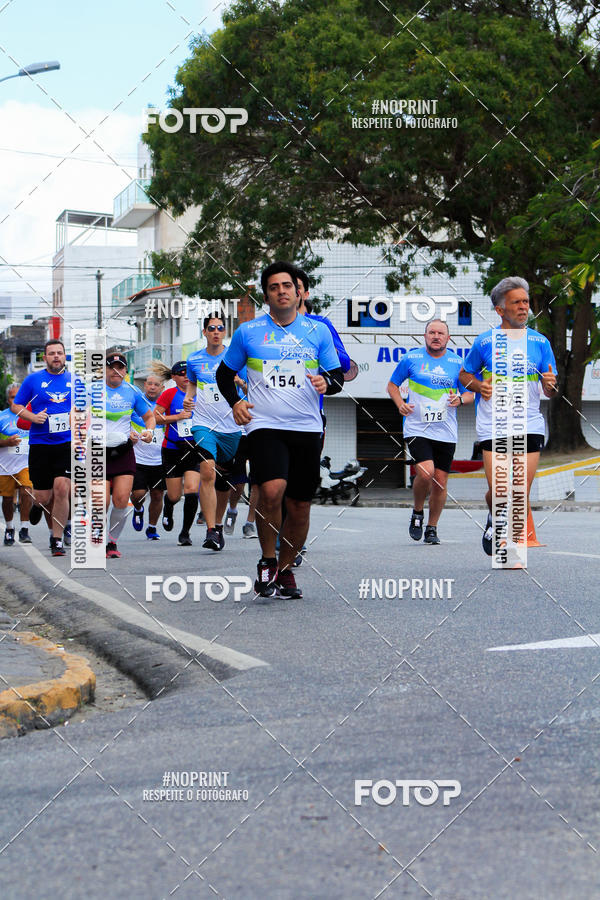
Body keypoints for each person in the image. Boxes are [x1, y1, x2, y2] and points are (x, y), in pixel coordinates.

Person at [216, 260, 344, 599]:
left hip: (306, 427)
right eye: (274, 287)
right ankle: (267, 558)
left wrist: (325, 383)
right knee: (271, 492)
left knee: (300, 505)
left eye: (287, 286)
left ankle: (284, 571)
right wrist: (235, 402)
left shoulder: (318, 332)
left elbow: (337, 378)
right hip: (265, 424)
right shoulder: (249, 332)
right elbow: (223, 375)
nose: (281, 292)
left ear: (298, 291)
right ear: (266, 295)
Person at [459, 276, 557, 555]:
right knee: (501, 491)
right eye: (517, 302)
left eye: (526, 302)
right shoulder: (484, 342)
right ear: (500, 310)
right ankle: (494, 516)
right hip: (493, 425)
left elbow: (550, 389)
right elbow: (464, 374)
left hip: (529, 423)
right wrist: (477, 385)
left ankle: (512, 548)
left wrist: (549, 386)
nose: (524, 307)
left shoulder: (540, 342)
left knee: (518, 489)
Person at [388, 319, 474, 544]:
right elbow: (392, 385)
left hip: (445, 430)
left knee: (440, 481)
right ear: (425, 335)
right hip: (417, 427)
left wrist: (460, 400)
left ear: (448, 337)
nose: (436, 336)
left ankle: (432, 528)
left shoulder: (458, 362)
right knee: (425, 472)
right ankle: (417, 511)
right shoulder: (411, 358)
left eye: (441, 333)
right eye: (432, 332)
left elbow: (470, 393)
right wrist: (400, 404)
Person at [184, 316, 244, 551]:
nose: (217, 332)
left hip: (231, 426)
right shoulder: (194, 359)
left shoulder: (235, 358)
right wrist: (189, 398)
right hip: (203, 423)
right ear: (205, 332)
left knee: (224, 484)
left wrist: (240, 384)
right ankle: (210, 530)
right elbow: (192, 383)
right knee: (207, 470)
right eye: (212, 329)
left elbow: (250, 388)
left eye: (221, 328)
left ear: (225, 332)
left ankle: (218, 525)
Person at [13, 339, 72, 557]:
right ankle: (38, 505)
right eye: (52, 353)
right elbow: (16, 405)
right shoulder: (33, 380)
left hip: (66, 444)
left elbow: (85, 409)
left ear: (65, 356)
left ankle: (57, 539)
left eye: (60, 353)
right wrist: (32, 416)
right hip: (40, 445)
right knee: (42, 496)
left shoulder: (75, 381)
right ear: (45, 357)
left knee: (62, 489)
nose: (56, 356)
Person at [102, 351, 155, 558]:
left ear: (125, 371)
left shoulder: (132, 391)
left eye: (120, 367)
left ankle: (112, 542)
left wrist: (148, 432)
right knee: (101, 501)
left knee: (122, 500)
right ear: (104, 369)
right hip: (97, 451)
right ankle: (96, 537)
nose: (116, 371)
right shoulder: (90, 391)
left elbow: (149, 416)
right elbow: (75, 416)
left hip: (123, 450)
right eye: (111, 367)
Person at [153, 361, 201, 546]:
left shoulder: (200, 393)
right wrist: (177, 417)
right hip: (172, 449)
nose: (185, 376)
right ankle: (169, 505)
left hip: (194, 449)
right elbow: (155, 418)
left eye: (188, 373)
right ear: (174, 377)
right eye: (181, 373)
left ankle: (185, 532)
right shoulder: (169, 394)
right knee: (174, 495)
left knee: (191, 491)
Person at [130, 373, 166, 540]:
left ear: (162, 388)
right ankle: (138, 509)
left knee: (158, 494)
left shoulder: (166, 404)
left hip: (159, 459)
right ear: (145, 385)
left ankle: (152, 528)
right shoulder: (137, 402)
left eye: (156, 384)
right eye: (149, 384)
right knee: (138, 494)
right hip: (138, 458)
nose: (152, 387)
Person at [0, 384, 33, 545]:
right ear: (8, 399)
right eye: (13, 397)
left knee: (27, 491)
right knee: (7, 499)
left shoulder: (31, 416)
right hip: (5, 466)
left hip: (25, 463)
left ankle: (25, 529)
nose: (17, 400)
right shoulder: (1, 417)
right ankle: (9, 528)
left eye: (19, 397)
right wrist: (6, 442)